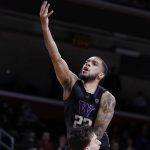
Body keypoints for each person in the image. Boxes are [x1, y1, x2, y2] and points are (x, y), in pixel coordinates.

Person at [39, 1, 116, 150]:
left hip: (94, 146)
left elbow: (97, 134)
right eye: (87, 61)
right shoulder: (71, 83)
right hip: (75, 145)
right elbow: (56, 58)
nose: (87, 64)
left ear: (101, 75)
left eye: (93, 63)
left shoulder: (107, 98)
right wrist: (44, 27)